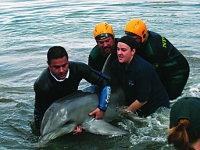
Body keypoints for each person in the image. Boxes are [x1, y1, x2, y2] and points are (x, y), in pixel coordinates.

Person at [34, 46, 111, 133]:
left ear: (68, 61)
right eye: (56, 67)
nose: (61, 70)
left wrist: (102, 108)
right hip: (57, 108)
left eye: (64, 65)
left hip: (70, 105)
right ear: (48, 64)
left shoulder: (78, 68)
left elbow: (104, 82)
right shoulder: (42, 85)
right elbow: (39, 115)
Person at [124, 18, 190, 100]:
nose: (131, 42)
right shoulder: (143, 39)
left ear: (143, 36)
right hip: (163, 65)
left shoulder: (153, 50)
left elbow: (152, 75)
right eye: (129, 38)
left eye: (135, 39)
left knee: (166, 98)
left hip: (177, 71)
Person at [111, 36, 169, 117]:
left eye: (123, 50)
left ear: (133, 51)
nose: (119, 53)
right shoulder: (116, 64)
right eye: (118, 49)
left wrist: (124, 112)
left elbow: (143, 99)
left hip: (156, 107)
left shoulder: (142, 69)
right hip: (137, 101)